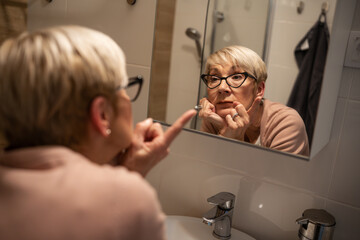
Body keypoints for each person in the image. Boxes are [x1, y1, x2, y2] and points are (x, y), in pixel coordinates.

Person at [0, 25, 196, 240]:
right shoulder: (126, 198)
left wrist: (125, 174)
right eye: (126, 87)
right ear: (102, 114)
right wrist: (126, 184)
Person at [198, 45, 309, 156]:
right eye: (214, 78)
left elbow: (273, 173)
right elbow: (202, 167)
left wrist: (235, 140)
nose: (222, 87)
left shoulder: (285, 123)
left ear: (259, 89)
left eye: (236, 77)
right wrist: (223, 132)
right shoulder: (212, 117)